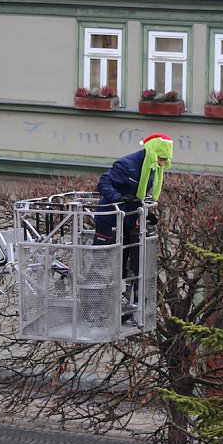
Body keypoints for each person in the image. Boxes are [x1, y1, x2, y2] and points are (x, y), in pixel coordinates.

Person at [93, 133, 173, 322]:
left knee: (128, 265)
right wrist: (118, 198)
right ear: (154, 153)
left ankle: (122, 308)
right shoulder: (126, 165)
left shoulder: (152, 167)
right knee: (102, 264)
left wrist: (144, 210)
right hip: (111, 220)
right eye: (161, 159)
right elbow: (103, 183)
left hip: (129, 220)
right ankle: (93, 306)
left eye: (165, 160)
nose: (163, 163)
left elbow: (143, 195)